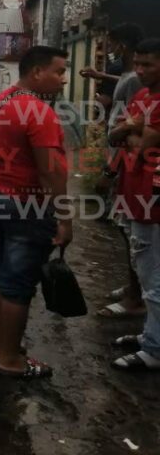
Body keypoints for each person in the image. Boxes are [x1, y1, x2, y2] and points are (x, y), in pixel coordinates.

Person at [0, 45, 71, 379]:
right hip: (26, 204)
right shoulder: (39, 113)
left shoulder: (0, 102)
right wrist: (65, 219)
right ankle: (11, 360)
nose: (63, 80)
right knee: (18, 285)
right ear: (37, 73)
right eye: (59, 72)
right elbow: (51, 172)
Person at [109, 38, 160, 371]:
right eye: (137, 64)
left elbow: (144, 147)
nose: (139, 71)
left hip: (154, 199)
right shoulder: (141, 96)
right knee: (146, 272)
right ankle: (151, 335)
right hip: (133, 193)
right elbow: (117, 137)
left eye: (148, 65)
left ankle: (154, 351)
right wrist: (132, 128)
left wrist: (134, 133)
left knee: (156, 279)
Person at [94, 24, 146, 319]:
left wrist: (110, 170)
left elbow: (125, 131)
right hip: (122, 163)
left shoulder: (132, 83)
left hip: (125, 165)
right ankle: (132, 288)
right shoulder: (129, 78)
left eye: (112, 43)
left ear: (122, 46)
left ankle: (135, 295)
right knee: (128, 229)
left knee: (129, 230)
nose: (110, 48)